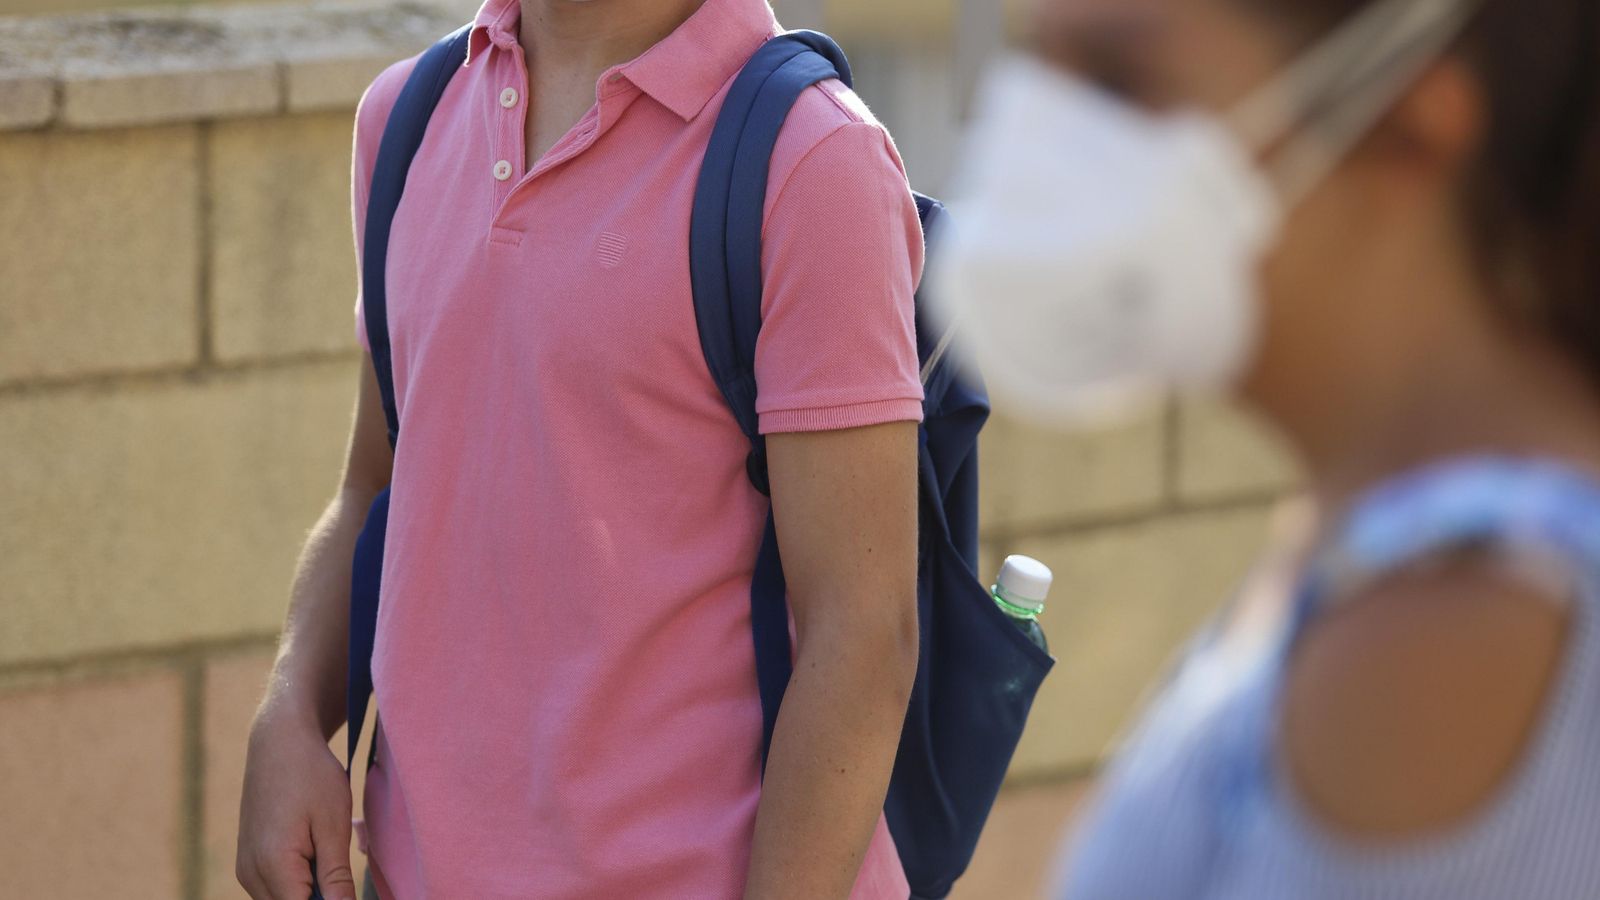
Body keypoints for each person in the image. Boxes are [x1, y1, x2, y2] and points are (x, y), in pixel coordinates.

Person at [234, 0, 927, 897]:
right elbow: (375, 487)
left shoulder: (812, 159)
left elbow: (863, 629)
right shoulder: (406, 115)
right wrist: (289, 716)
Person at [931, 0, 1600, 896]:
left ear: (1405, 124)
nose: (1043, 137)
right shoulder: (1382, 537)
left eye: (1119, 81)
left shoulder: (1458, 619)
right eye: (1039, 61)